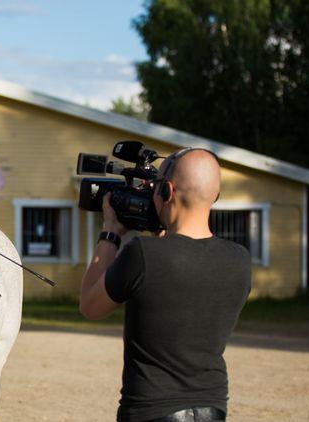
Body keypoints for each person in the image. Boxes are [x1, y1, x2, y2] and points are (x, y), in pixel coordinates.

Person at [79, 148, 252, 422]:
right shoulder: (240, 259)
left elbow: (90, 306)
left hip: (150, 410)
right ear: (215, 196)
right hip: (213, 408)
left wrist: (110, 232)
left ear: (167, 192)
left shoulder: (142, 254)